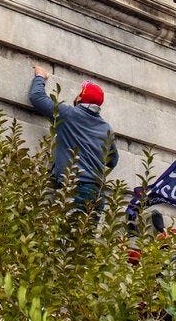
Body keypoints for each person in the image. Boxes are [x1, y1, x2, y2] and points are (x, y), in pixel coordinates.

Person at [28, 66, 118, 214]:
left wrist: (40, 77)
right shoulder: (106, 128)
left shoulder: (68, 114)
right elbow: (112, 161)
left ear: (80, 98)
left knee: (66, 235)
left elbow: (37, 98)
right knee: (84, 236)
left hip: (75, 188)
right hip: (97, 194)